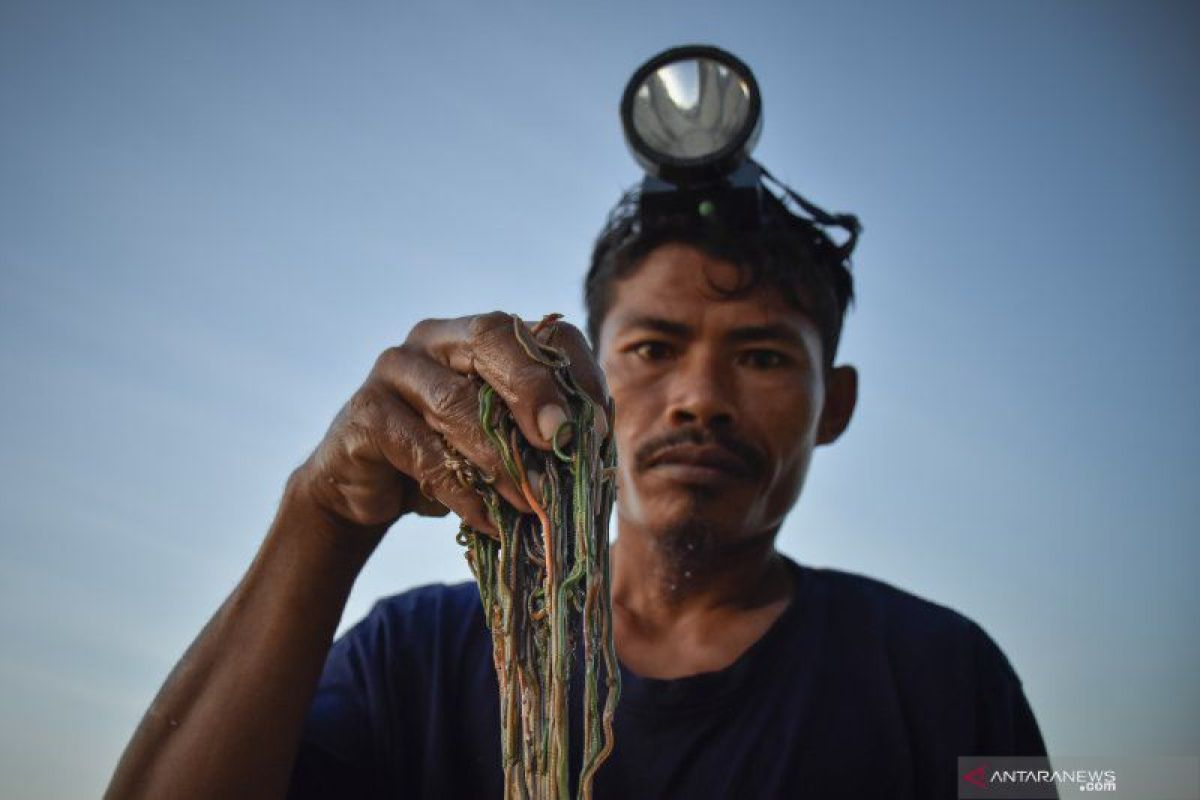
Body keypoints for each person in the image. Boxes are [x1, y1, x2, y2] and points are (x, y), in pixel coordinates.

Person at [104, 181, 1050, 800]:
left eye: (761, 356)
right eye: (652, 349)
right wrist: (324, 514)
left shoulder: (947, 678)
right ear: (588, 381)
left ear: (832, 404)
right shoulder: (417, 662)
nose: (700, 401)